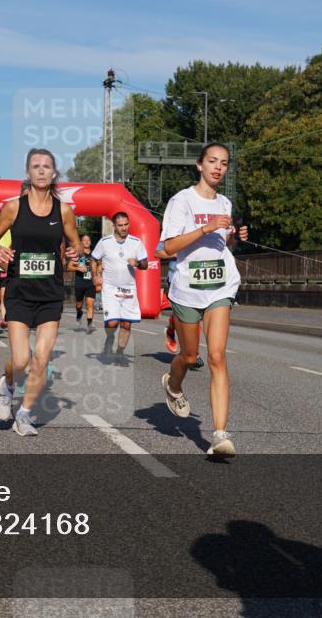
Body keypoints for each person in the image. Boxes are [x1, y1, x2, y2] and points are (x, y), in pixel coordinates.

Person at [160, 143, 248, 456]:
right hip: (188, 289)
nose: (218, 167)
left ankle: (220, 435)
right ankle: (173, 384)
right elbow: (169, 247)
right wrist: (206, 227)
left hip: (220, 286)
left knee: (217, 356)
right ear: (200, 165)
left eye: (223, 163)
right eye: (212, 161)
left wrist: (234, 238)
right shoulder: (181, 201)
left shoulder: (225, 202)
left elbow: (221, 245)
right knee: (188, 356)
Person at [0, 148, 82, 436]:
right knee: (21, 361)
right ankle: (7, 385)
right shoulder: (14, 207)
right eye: (36, 166)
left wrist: (75, 252)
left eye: (46, 166)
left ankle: (24, 414)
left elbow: (75, 244)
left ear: (54, 173)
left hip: (50, 293)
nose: (41, 170)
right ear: (28, 173)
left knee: (41, 358)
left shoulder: (63, 210)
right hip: (19, 291)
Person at [92, 213, 148, 364]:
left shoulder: (136, 242)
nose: (124, 228)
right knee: (112, 323)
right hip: (110, 288)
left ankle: (120, 353)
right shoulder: (105, 242)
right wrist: (95, 276)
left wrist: (137, 263)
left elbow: (145, 264)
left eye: (126, 224)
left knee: (126, 323)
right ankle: (110, 338)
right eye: (120, 225)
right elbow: (94, 258)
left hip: (129, 288)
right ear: (114, 226)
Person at [157, 240, 204, 368]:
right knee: (187, 315)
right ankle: (195, 353)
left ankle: (171, 330)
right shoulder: (174, 231)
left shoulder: (205, 231)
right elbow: (158, 252)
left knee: (195, 315)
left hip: (198, 278)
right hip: (177, 279)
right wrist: (181, 253)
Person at [68, 234, 97, 333]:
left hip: (90, 283)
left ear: (90, 242)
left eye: (88, 240)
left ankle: (89, 324)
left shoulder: (94, 255)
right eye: (84, 240)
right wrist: (78, 268)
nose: (86, 241)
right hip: (80, 283)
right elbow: (69, 267)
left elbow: (99, 265)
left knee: (90, 304)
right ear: (81, 243)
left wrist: (99, 272)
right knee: (79, 305)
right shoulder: (78, 254)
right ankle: (79, 313)